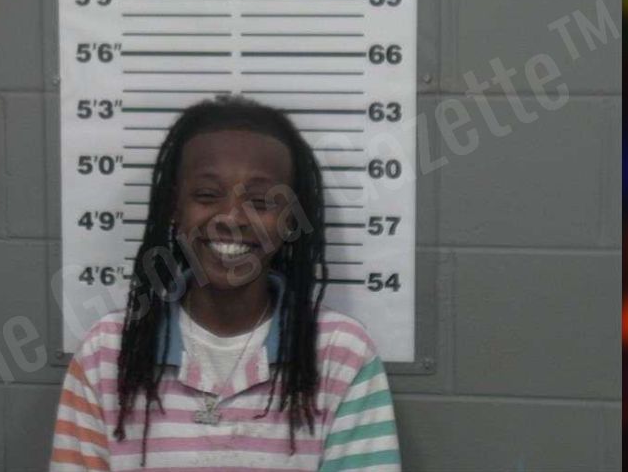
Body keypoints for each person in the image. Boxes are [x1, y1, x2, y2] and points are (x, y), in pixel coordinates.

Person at [49, 95, 403, 471]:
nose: (231, 218)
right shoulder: (107, 352)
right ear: (175, 208)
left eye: (261, 202)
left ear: (290, 218)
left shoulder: (339, 354)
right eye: (206, 195)